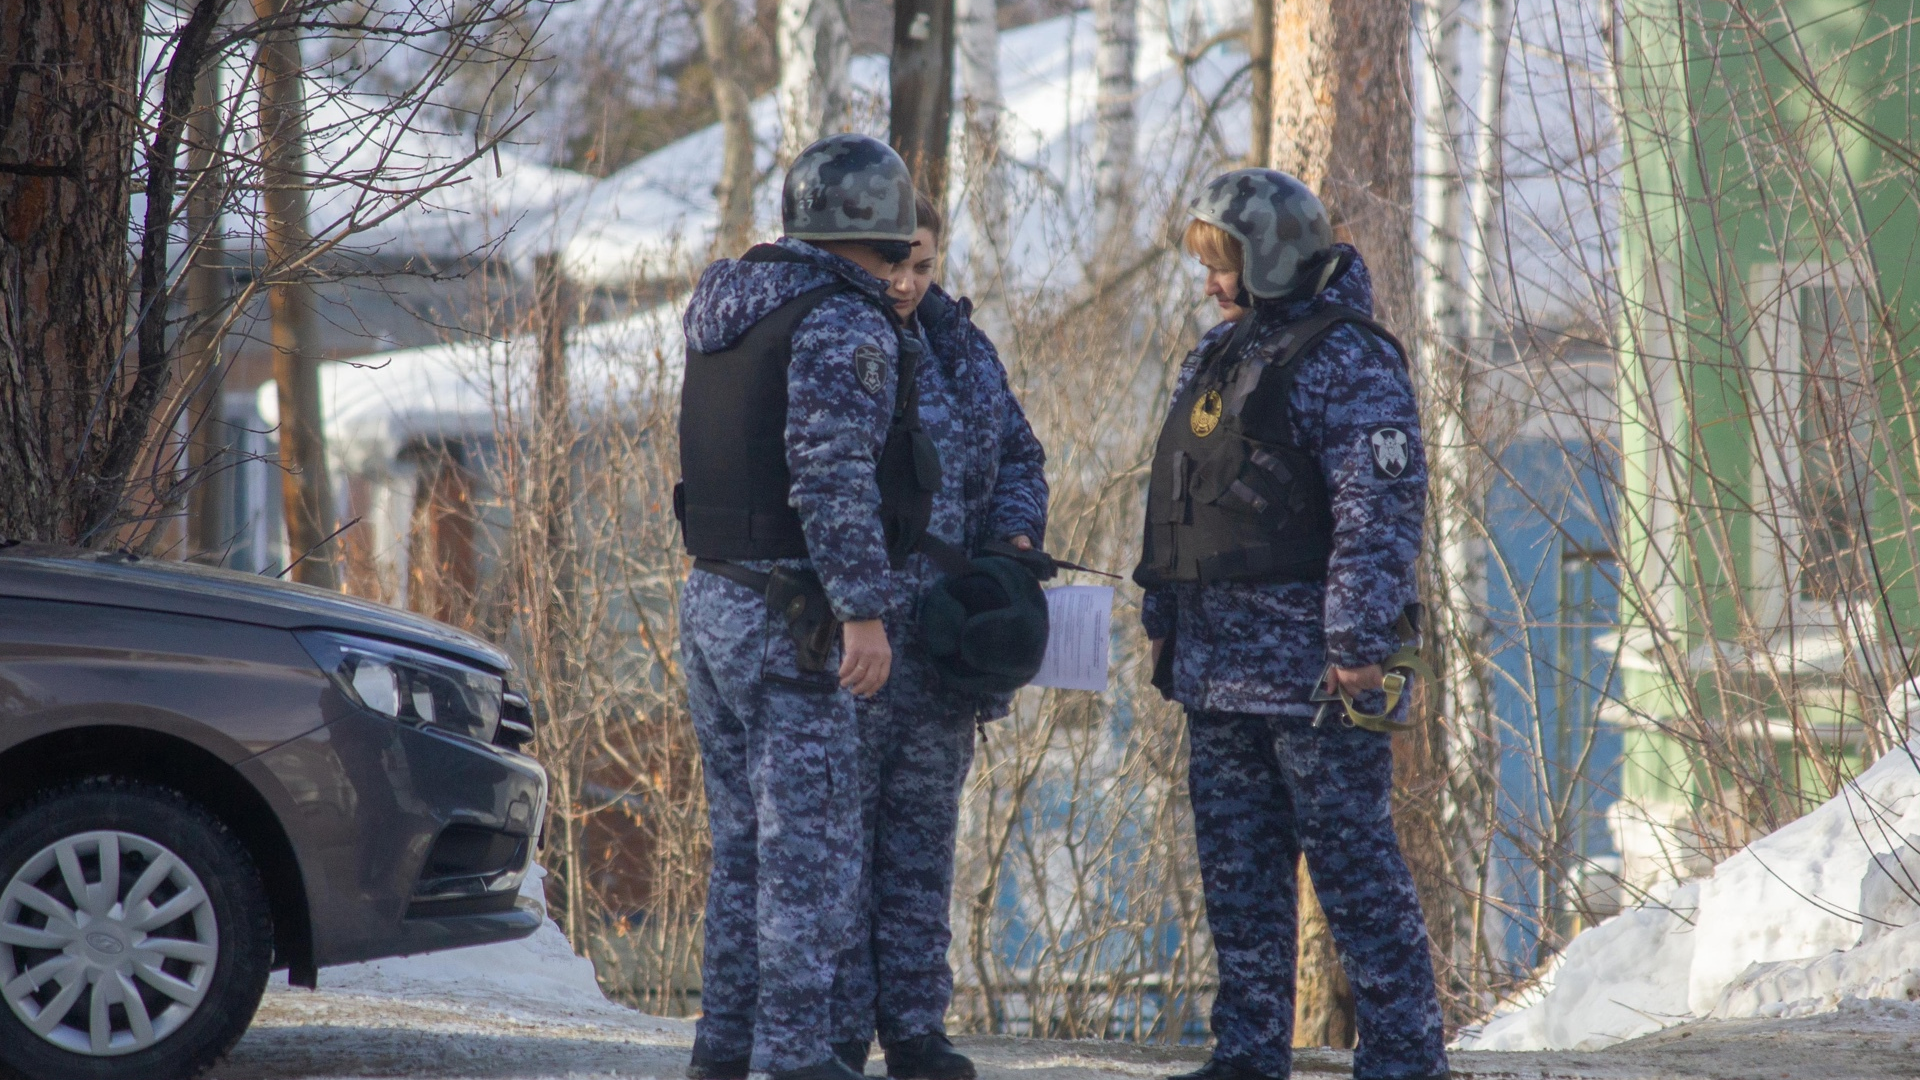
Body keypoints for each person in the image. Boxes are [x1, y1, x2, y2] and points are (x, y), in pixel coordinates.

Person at [1134, 169, 1450, 1080]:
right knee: (1238, 876)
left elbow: (1377, 512)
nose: (1209, 285)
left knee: (1354, 873)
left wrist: (1355, 645)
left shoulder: (1351, 358)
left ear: (1269, 259)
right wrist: (1165, 617)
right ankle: (1248, 1051)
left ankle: (1403, 1055)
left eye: (1222, 265)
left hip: (1316, 677)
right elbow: (1179, 492)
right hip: (1217, 671)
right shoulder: (1221, 354)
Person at [676, 133, 928, 1080]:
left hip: (715, 599)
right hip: (794, 616)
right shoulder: (840, 321)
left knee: (742, 850)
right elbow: (830, 475)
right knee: (807, 857)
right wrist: (863, 608)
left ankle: (724, 1054)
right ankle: (792, 1060)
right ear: (877, 230)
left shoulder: (730, 306)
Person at [830, 190, 1049, 1080]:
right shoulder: (833, 340)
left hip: (948, 646)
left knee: (922, 848)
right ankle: (840, 1033)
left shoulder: (962, 350)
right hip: (856, 643)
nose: (910, 282)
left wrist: (1013, 544)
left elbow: (1021, 455)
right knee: (843, 846)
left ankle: (915, 1029)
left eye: (925, 265)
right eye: (898, 263)